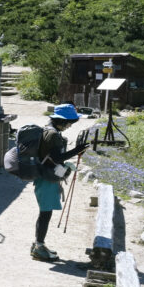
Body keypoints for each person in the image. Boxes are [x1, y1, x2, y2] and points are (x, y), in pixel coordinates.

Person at [31, 104, 86, 261]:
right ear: (62, 121)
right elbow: (56, 158)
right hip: (46, 178)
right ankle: (39, 247)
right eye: (70, 123)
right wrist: (77, 151)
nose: (70, 126)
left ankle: (37, 244)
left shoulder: (47, 129)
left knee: (44, 213)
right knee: (45, 214)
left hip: (44, 176)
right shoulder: (53, 135)